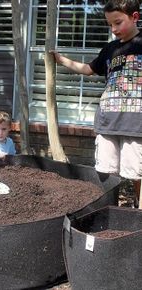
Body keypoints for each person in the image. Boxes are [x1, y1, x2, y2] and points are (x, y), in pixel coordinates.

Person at [51, 0, 142, 207]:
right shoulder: (110, 49)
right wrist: (61, 60)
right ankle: (107, 211)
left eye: (118, 22)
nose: (113, 29)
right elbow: (88, 69)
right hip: (108, 120)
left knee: (138, 171)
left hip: (136, 124)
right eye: (110, 24)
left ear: (134, 17)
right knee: (105, 170)